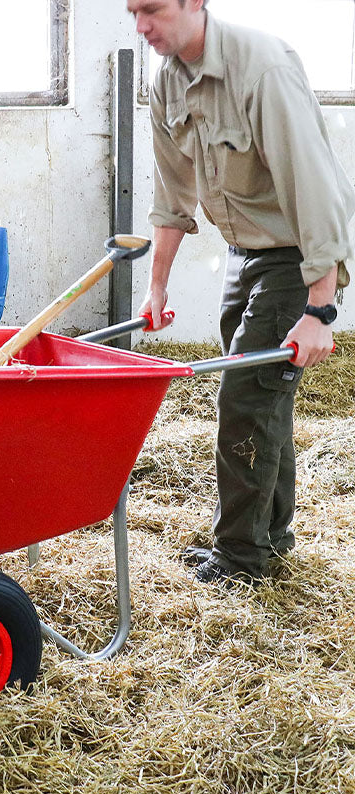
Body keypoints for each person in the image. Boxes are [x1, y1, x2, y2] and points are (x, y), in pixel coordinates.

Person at [127, 0, 355, 585]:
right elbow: (171, 195)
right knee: (265, 396)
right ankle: (271, 537)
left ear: (194, 2)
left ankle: (240, 559)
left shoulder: (263, 67)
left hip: (293, 256)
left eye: (151, 10)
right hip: (242, 253)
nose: (141, 27)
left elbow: (314, 187)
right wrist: (156, 286)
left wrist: (320, 309)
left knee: (245, 401)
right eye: (132, 12)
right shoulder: (166, 78)